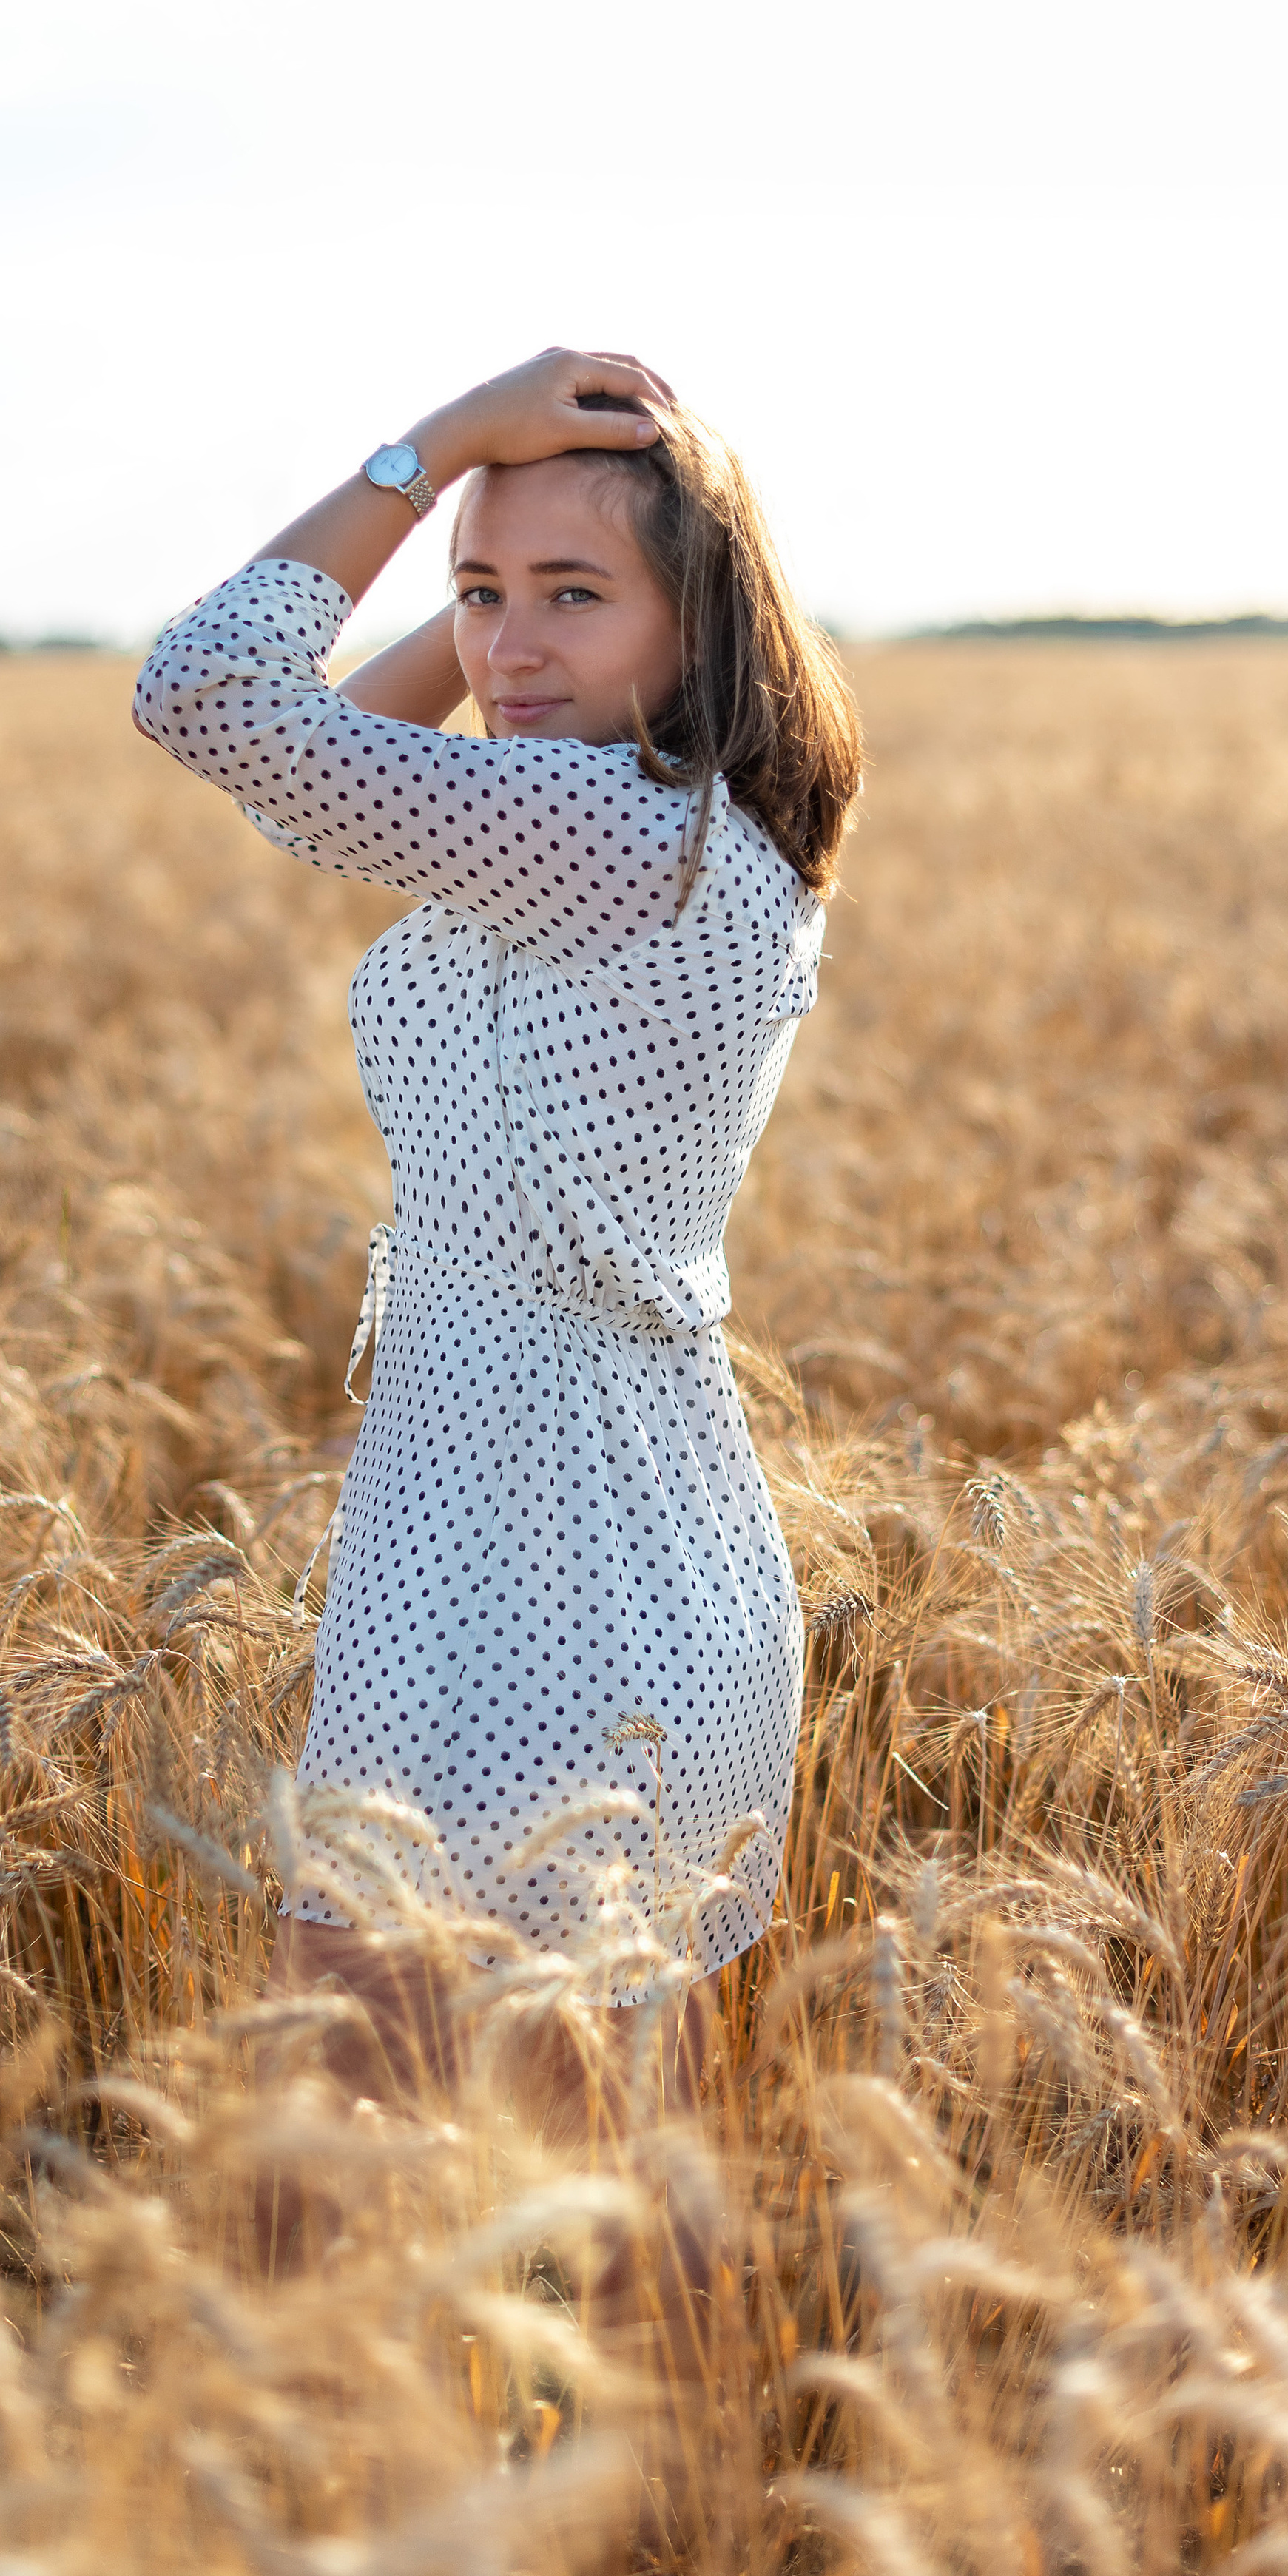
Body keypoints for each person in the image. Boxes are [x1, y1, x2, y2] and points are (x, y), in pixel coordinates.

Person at [132, 347, 860, 2129]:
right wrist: (469, 580)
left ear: (698, 626)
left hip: (552, 1569)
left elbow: (209, 698)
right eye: (479, 592)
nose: (508, 646)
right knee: (608, 2167)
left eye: (572, 594)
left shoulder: (614, 836)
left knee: (343, 2137)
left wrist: (442, 440)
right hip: (540, 1531)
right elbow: (327, 776)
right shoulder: (640, 822)